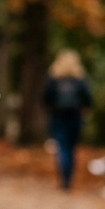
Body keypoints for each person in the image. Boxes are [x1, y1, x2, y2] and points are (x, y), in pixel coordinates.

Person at [42, 50, 93, 189]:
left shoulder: (54, 78)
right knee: (71, 148)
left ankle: (64, 178)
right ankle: (69, 178)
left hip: (58, 115)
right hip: (75, 116)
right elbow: (88, 97)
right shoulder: (80, 78)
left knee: (62, 147)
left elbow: (46, 97)